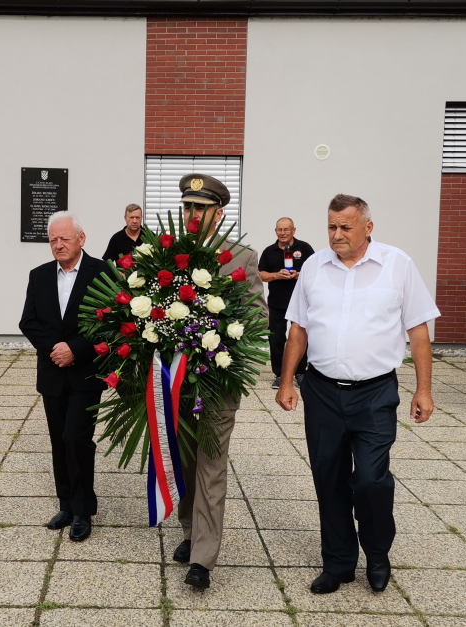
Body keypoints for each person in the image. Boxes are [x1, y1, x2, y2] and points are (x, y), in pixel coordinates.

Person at [276, 194, 439, 595]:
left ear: (368, 227)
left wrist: (424, 389)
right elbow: (298, 328)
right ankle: (339, 563)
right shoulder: (314, 266)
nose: (337, 235)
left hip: (374, 394)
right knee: (328, 478)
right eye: (331, 226)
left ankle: (378, 553)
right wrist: (285, 381)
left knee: (370, 479)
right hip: (322, 392)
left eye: (346, 227)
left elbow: (418, 331)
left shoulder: (397, 265)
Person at [170, 173, 266, 590]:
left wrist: (225, 340)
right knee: (186, 461)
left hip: (217, 383)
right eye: (188, 207)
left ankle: (204, 558)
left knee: (210, 465)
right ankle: (191, 529)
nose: (192, 214)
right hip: (176, 382)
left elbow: (258, 320)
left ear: (219, 213)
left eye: (200, 208)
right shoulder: (167, 254)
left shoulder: (241, 257)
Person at [18, 211, 112, 541]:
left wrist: (75, 349)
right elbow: (28, 322)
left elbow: (110, 323)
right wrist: (55, 348)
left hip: (86, 373)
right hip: (52, 372)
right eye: (53, 240)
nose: (58, 245)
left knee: (77, 438)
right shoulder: (39, 275)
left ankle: (84, 510)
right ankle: (67, 505)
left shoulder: (102, 272)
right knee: (59, 441)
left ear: (81, 239)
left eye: (65, 239)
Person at [259, 217, 316, 389]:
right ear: (275, 231)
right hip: (277, 302)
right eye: (279, 230)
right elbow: (261, 274)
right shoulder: (269, 251)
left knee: (300, 338)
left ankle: (300, 372)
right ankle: (279, 374)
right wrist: (277, 275)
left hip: (300, 302)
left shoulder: (304, 248)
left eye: (286, 229)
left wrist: (298, 274)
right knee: (276, 339)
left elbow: (315, 271)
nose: (282, 233)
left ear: (294, 230)